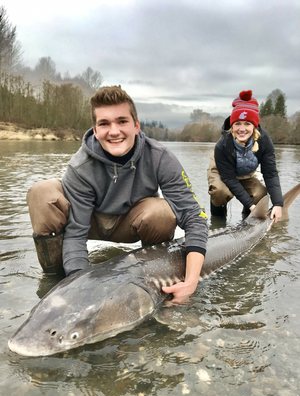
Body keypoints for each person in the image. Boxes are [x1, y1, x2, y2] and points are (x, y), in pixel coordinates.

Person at [27, 85, 208, 304]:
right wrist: (80, 289)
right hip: (90, 222)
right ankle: (56, 282)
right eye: (104, 123)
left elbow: (195, 218)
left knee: (162, 211)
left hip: (131, 223)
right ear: (95, 130)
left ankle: (152, 278)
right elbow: (75, 235)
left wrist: (191, 282)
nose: (114, 131)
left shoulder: (160, 157)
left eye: (122, 121)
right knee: (42, 193)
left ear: (136, 126)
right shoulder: (80, 166)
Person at [207, 90, 283, 222]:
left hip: (246, 172)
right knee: (220, 192)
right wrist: (251, 205)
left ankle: (247, 218)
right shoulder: (222, 145)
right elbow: (229, 178)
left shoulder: (264, 141)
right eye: (237, 124)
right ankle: (217, 221)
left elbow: (270, 174)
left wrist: (278, 203)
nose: (242, 129)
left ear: (254, 125)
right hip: (222, 172)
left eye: (247, 123)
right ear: (232, 125)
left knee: (260, 194)